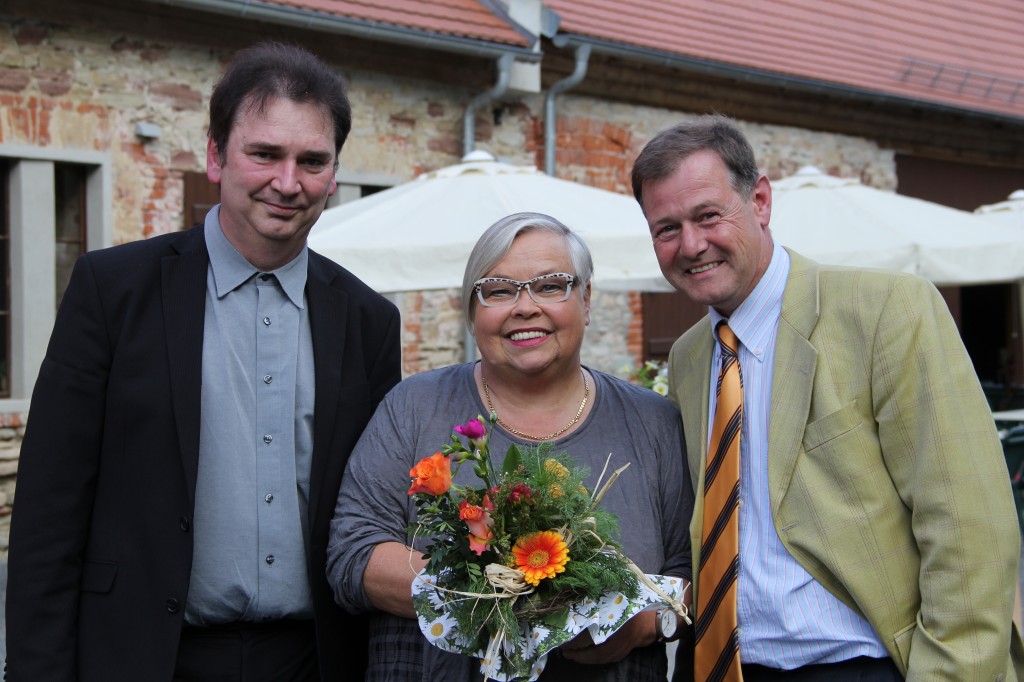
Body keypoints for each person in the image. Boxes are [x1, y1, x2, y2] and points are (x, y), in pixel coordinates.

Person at [5, 42, 401, 681]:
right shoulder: (113, 291)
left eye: (312, 161)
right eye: (264, 153)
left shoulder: (369, 322)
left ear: (333, 172)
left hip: (317, 660)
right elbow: (49, 510)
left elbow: (378, 511)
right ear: (216, 155)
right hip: (144, 657)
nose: (288, 182)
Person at [631, 114, 1024, 681]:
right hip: (729, 666)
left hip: (864, 664)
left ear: (760, 201)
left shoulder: (886, 310)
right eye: (666, 229)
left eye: (708, 215)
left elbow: (969, 527)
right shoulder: (692, 357)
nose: (691, 244)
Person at [326, 212, 694, 681]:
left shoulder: (653, 422)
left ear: (585, 299)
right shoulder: (414, 407)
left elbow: (694, 572)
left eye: (550, 285)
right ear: (472, 311)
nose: (525, 307)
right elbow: (352, 554)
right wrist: (499, 595)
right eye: (498, 290)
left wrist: (640, 623)